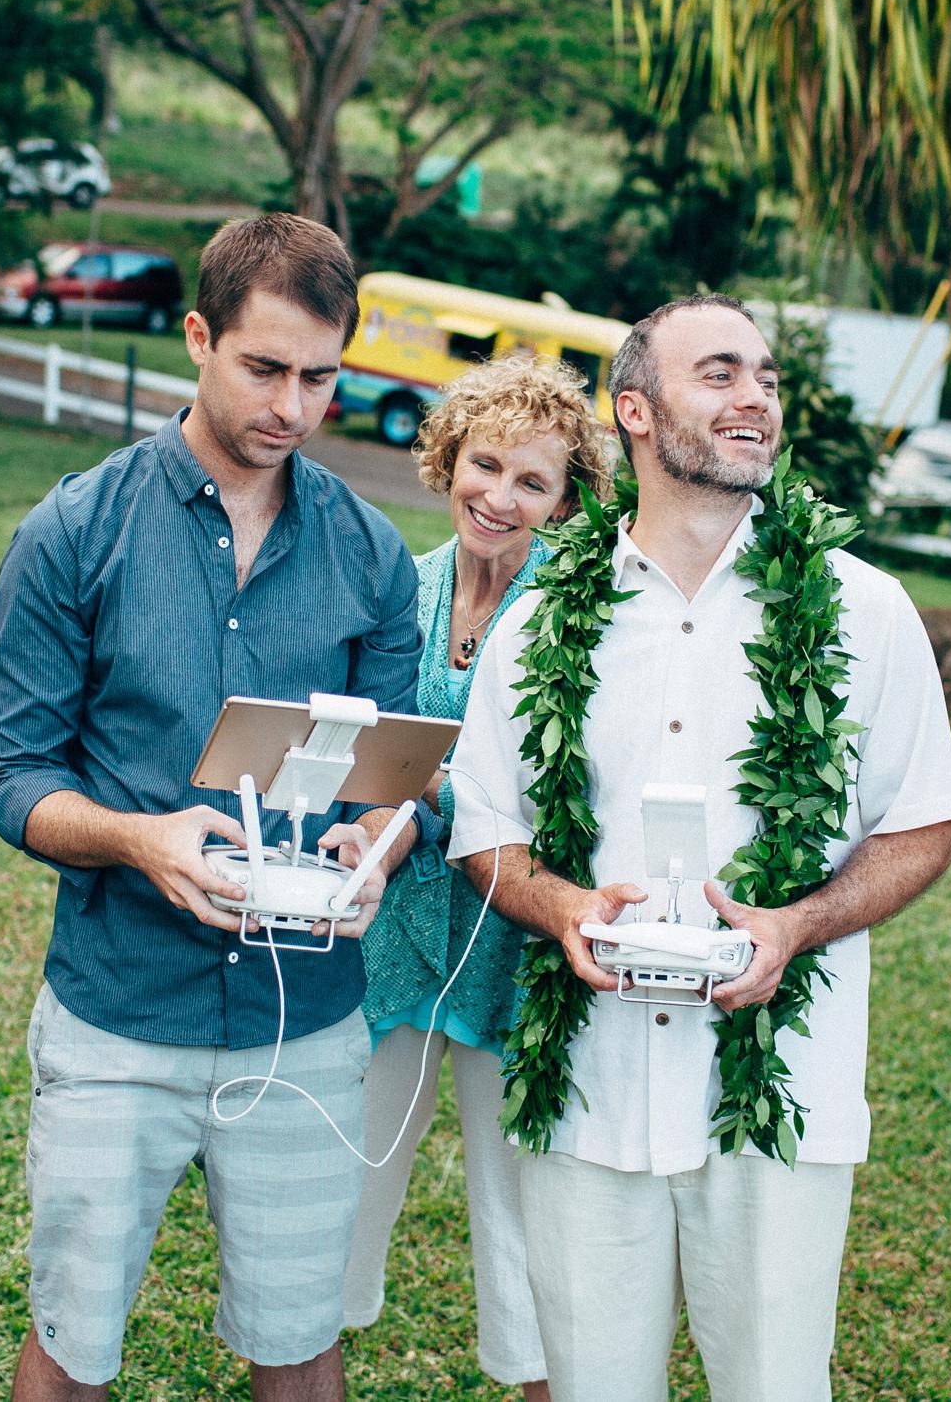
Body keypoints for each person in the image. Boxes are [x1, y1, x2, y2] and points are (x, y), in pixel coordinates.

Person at [446, 294, 951, 1402]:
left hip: (783, 1093)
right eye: (720, 373)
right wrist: (562, 909)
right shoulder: (542, 620)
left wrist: (799, 922)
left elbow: (925, 822)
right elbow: (484, 832)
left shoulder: (860, 609)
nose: (755, 398)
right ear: (633, 409)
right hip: (586, 1082)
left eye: (768, 379)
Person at [0, 212, 429, 1402]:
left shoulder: (373, 555)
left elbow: (394, 777)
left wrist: (377, 845)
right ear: (197, 337)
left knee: (299, 1339)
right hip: (119, 1008)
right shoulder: (72, 529)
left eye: (321, 376)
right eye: (264, 367)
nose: (292, 404)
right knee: (73, 1338)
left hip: (307, 1022)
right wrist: (137, 838)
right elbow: (13, 778)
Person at [342, 354, 612, 1401]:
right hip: (393, 937)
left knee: (522, 1223)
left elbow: (569, 780)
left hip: (514, 944)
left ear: (565, 498)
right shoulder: (398, 586)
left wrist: (427, 789)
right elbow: (368, 749)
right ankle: (307, 1352)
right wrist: (370, 815)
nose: (499, 496)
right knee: (340, 1185)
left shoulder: (575, 618)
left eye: (532, 481)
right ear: (446, 457)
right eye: (483, 463)